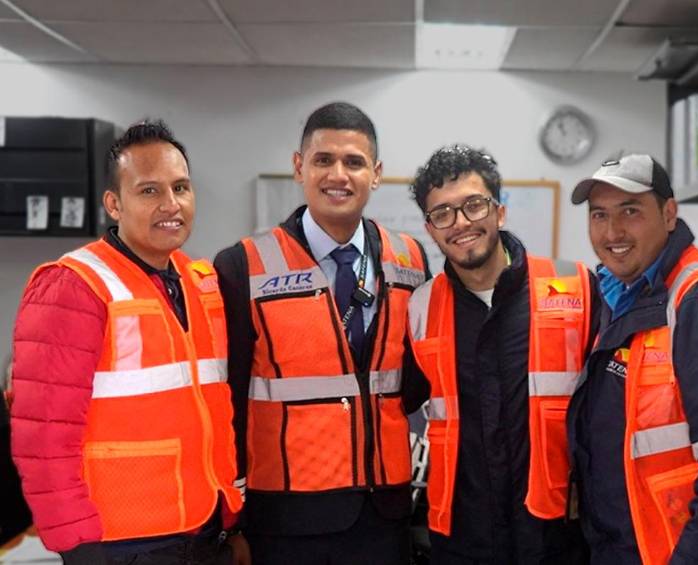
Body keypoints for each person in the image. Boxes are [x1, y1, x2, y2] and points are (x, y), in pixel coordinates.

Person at [10, 121, 246, 565]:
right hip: (120, 542)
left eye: (181, 187)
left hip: (204, 529)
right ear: (114, 204)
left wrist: (232, 516)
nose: (171, 204)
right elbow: (41, 435)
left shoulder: (201, 283)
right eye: (149, 191)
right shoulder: (74, 285)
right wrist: (78, 546)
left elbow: (212, 410)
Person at [214, 102, 429, 565]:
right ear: (298, 167)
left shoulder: (410, 259)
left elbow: (413, 385)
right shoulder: (242, 266)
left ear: (376, 174)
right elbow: (225, 403)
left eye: (354, 162)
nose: (339, 174)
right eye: (323, 160)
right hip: (286, 519)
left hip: (385, 512)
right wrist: (229, 520)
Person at [567, 153, 698, 564]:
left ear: (668, 214)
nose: (613, 231)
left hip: (674, 552)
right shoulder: (615, 295)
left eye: (630, 211)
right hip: (619, 545)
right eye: (599, 215)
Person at [405, 144, 599, 564]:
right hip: (462, 533)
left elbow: (608, 409)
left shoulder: (576, 286)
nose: (460, 224)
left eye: (474, 205)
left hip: (554, 530)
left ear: (499, 210)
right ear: (430, 227)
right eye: (443, 214)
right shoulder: (420, 307)